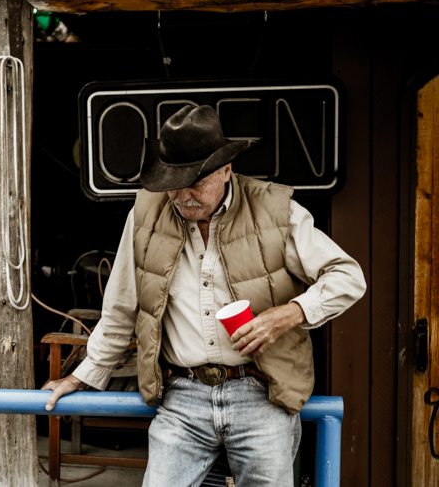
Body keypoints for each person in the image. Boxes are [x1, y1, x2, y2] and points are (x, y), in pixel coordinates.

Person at [42, 105, 366, 487]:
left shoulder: (277, 211)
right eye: (172, 182)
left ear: (226, 170)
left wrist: (291, 313)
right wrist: (80, 379)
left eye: (195, 182)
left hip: (261, 394)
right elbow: (120, 310)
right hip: (182, 396)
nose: (182, 195)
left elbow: (348, 276)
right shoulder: (145, 214)